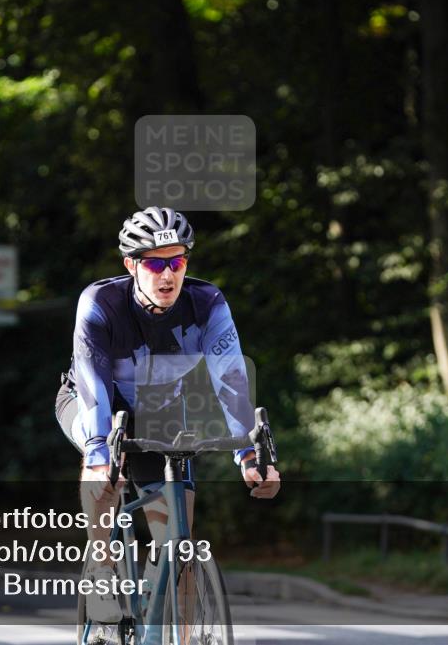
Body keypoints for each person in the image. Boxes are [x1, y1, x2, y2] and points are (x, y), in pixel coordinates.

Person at [55, 206, 281, 623]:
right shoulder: (100, 302)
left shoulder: (207, 302)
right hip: (92, 400)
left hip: (161, 411)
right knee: (101, 460)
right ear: (131, 265)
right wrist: (100, 449)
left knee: (177, 542)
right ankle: (103, 570)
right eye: (156, 263)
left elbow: (229, 379)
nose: (167, 274)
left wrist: (249, 455)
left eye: (177, 261)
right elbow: (93, 386)